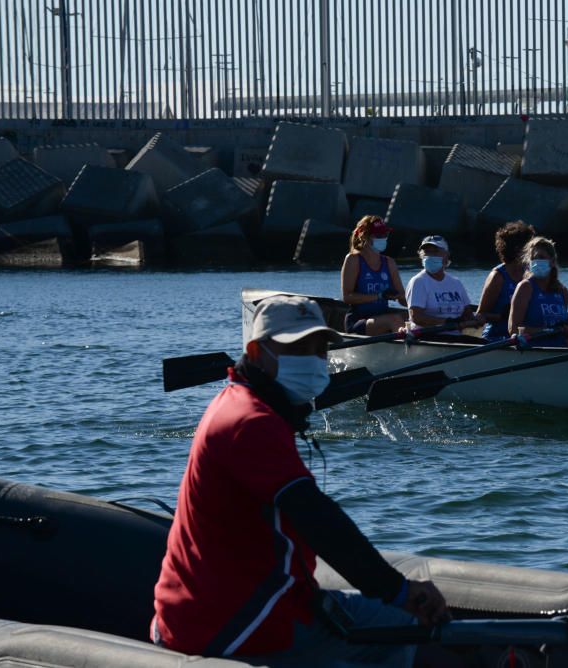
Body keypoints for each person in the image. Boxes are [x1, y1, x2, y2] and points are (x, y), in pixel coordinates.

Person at [152, 296, 450, 665]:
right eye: (297, 347)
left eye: (320, 348)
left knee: (394, 625)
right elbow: (317, 519)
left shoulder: (241, 401)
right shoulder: (251, 422)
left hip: (226, 605)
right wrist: (399, 590)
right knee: (401, 626)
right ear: (256, 352)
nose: (312, 358)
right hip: (234, 622)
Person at [340, 216, 407, 335]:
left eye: (385, 235)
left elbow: (402, 298)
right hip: (358, 321)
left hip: (381, 319)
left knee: (410, 319)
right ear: (365, 236)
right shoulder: (353, 260)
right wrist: (379, 296)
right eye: (378, 235)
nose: (383, 238)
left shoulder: (389, 263)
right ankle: (408, 350)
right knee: (395, 319)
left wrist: (421, 306)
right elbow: (347, 297)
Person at [405, 235, 483, 334]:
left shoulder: (456, 283)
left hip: (455, 337)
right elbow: (417, 318)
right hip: (427, 337)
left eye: (435, 251)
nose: (430, 255)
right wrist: (448, 323)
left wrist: (478, 319)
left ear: (446, 255)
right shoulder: (418, 281)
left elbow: (467, 314)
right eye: (427, 252)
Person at [509, 236, 568, 348]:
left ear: (552, 261)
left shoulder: (562, 291)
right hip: (534, 351)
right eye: (533, 258)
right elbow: (513, 329)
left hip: (559, 349)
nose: (536, 262)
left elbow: (564, 336)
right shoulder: (525, 287)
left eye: (541, 257)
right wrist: (548, 330)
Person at [476, 221, 536, 341]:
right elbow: (480, 315)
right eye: (531, 246)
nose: (534, 251)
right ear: (518, 249)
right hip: (497, 337)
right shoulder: (498, 276)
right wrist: (502, 316)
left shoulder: (532, 274)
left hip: (525, 336)